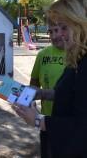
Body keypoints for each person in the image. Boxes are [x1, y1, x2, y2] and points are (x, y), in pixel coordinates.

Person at [13, 0, 87, 158]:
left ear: (81, 24)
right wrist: (42, 93)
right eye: (55, 28)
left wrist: (39, 121)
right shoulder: (77, 58)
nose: (59, 35)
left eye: (64, 27)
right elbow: (74, 95)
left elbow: (82, 127)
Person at [30, 21, 66, 157]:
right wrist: (29, 100)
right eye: (50, 32)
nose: (54, 36)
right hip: (46, 121)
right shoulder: (42, 55)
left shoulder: (78, 55)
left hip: (69, 122)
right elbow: (34, 82)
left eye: (57, 30)